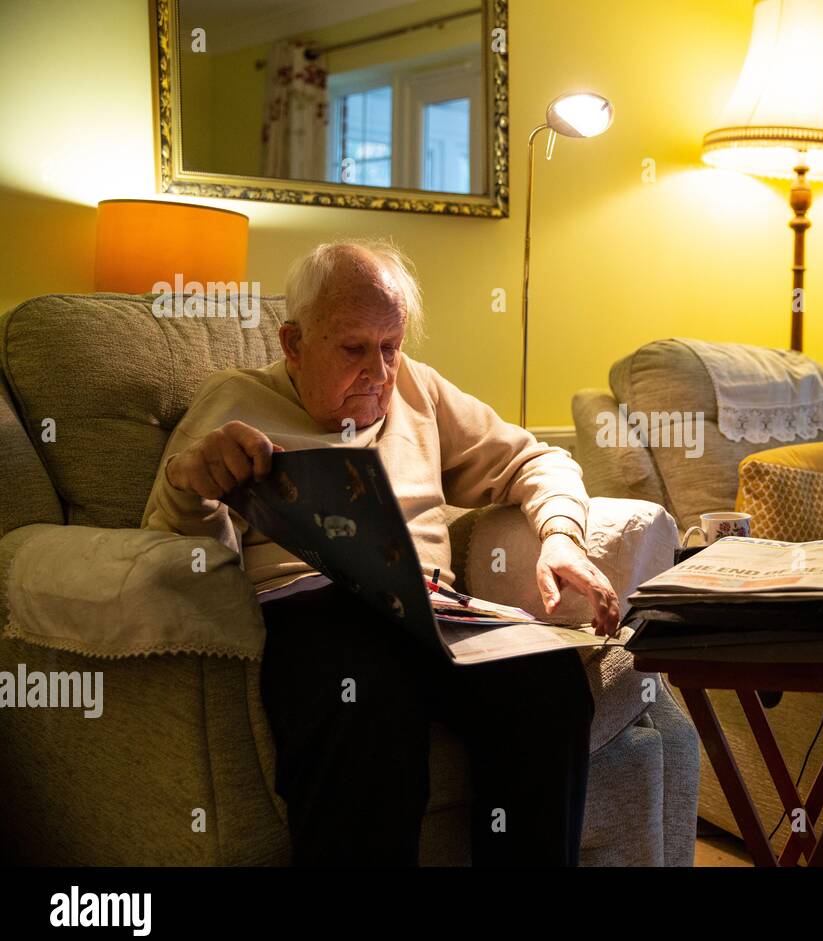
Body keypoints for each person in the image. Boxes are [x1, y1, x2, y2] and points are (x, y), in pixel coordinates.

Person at [142, 239, 620, 866]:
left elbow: (536, 458)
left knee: (549, 682)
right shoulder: (232, 401)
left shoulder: (418, 391)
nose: (379, 371)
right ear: (293, 343)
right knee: (363, 702)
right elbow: (166, 537)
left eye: (391, 346)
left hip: (434, 610)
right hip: (316, 610)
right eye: (353, 348)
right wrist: (191, 479)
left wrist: (559, 533)